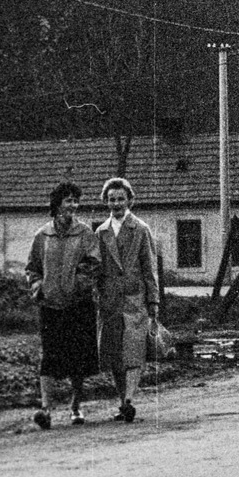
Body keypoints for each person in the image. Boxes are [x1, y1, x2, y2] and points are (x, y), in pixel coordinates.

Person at [25, 181, 101, 428]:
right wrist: (38, 288)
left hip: (78, 305)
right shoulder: (42, 235)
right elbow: (32, 268)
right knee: (49, 357)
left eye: (75, 201)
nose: (73, 206)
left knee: (78, 358)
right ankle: (45, 409)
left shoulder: (85, 234)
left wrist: (79, 283)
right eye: (68, 200)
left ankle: (76, 406)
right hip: (51, 306)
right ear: (57, 204)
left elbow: (94, 264)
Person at [94, 176, 160, 423]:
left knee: (133, 351)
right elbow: (96, 269)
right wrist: (96, 295)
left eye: (121, 198)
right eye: (111, 199)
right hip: (109, 302)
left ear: (130, 199)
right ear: (105, 202)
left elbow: (150, 268)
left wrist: (153, 302)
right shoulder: (101, 232)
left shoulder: (141, 229)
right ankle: (123, 403)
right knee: (113, 355)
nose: (116, 204)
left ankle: (130, 399)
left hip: (135, 300)